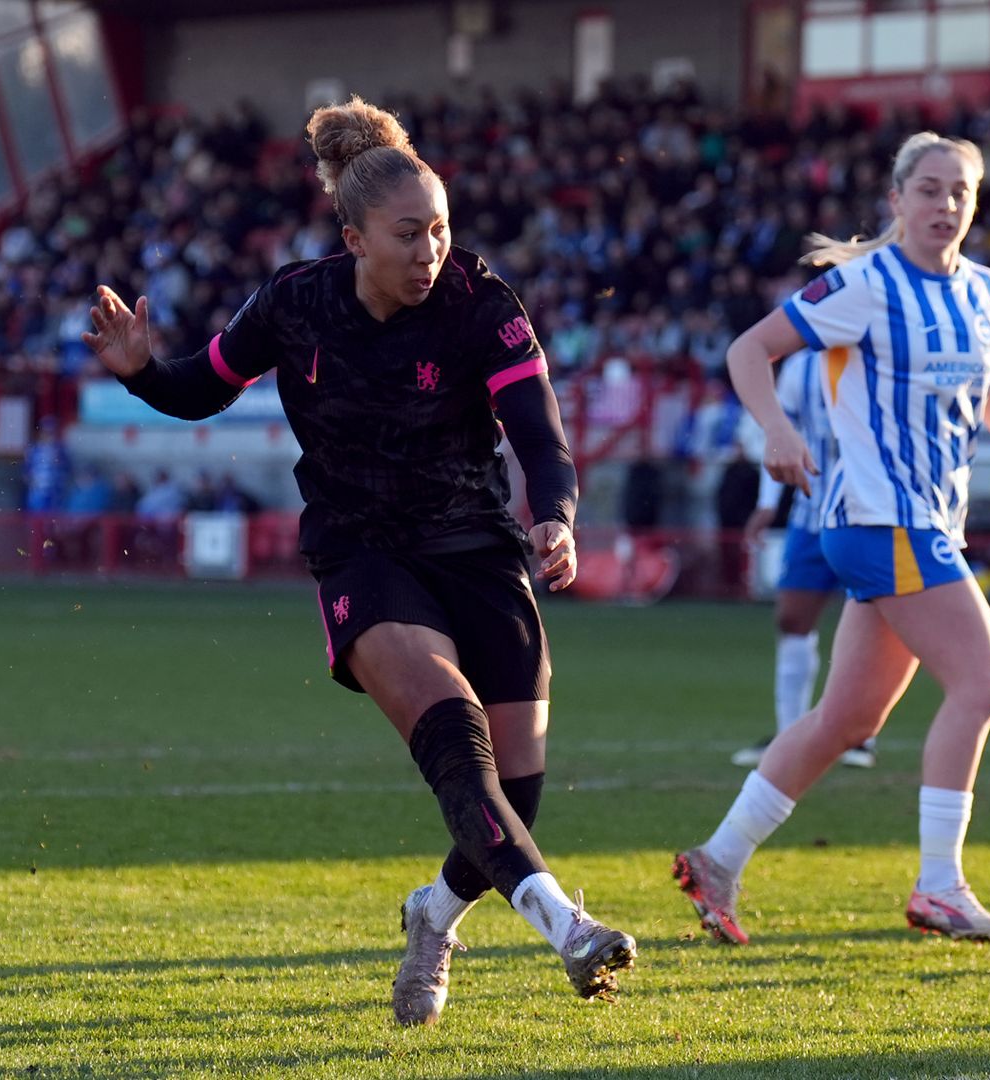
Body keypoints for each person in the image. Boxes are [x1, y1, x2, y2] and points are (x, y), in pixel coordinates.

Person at [79, 96, 636, 1027]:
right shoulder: (296, 302)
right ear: (354, 236)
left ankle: (434, 913)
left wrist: (560, 517)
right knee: (460, 748)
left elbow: (540, 438)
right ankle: (569, 929)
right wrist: (141, 369)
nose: (431, 252)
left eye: (442, 231)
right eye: (410, 235)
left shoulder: (480, 301)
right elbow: (196, 389)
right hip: (362, 551)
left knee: (519, 787)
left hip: (474, 543)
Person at [673, 131, 990, 945]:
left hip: (915, 525)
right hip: (882, 519)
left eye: (960, 192)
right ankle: (941, 886)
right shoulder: (864, 285)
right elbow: (750, 351)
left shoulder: (989, 294)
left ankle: (717, 860)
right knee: (981, 686)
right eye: (929, 189)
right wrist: (775, 430)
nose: (945, 205)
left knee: (842, 720)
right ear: (896, 201)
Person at [731, 348, 876, 770]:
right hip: (812, 515)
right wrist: (768, 502)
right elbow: (781, 432)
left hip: (871, 515)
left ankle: (858, 735)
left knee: (871, 625)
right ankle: (790, 734)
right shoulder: (801, 368)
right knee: (792, 619)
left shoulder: (879, 354)